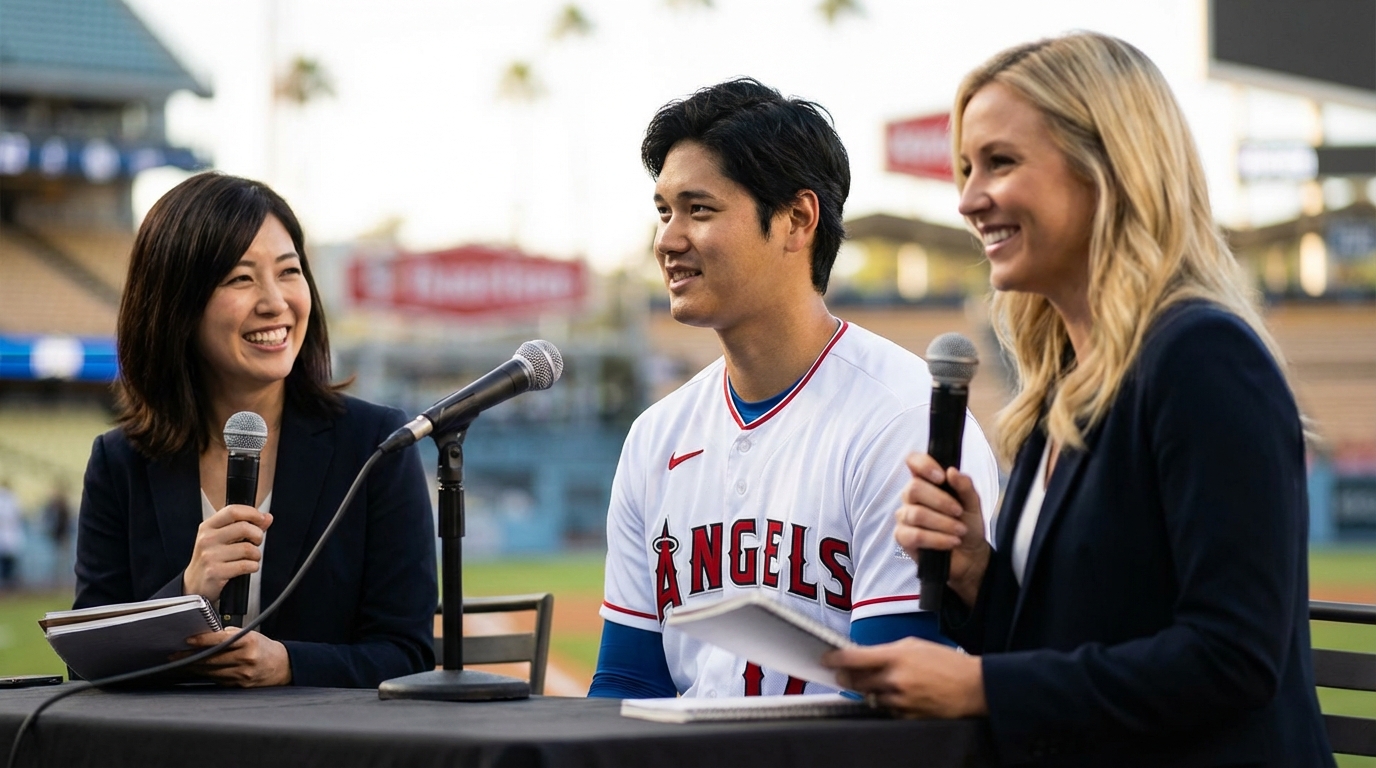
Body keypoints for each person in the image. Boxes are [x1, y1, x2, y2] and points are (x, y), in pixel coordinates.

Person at [823, 33, 1334, 766]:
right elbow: (1069, 643)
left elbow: (1233, 659)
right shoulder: (1067, 380)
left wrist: (982, 687)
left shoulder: (1203, 358)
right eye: (966, 168)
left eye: (1000, 163)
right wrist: (975, 571)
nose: (968, 200)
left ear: (1109, 169)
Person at [589, 78, 1001, 699]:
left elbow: (892, 695)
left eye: (699, 210)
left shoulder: (905, 417)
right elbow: (626, 682)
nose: (669, 240)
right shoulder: (656, 435)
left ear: (796, 220)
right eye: (664, 211)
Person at [75, 172, 437, 688]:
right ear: (177, 304)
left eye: (289, 272)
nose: (275, 302)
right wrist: (187, 589)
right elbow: (85, 662)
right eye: (240, 278)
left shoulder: (377, 445)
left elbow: (408, 654)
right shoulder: (120, 462)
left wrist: (288, 665)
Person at [0, 479, 23, 590]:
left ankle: (7, 588)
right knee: (8, 565)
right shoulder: (11, 499)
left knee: (7, 566)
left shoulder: (9, 499)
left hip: (9, 536)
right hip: (9, 536)